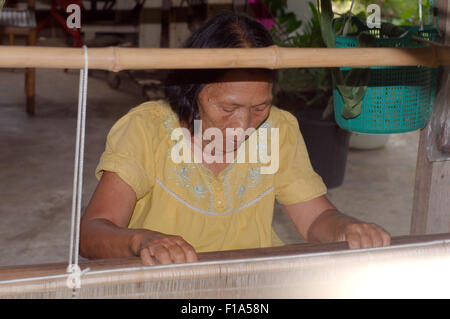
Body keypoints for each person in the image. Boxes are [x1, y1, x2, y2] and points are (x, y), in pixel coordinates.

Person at [79, 11, 391, 266]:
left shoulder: (278, 130)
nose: (243, 125)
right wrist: (141, 241)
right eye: (228, 107)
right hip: (163, 286)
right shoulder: (146, 129)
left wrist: (346, 227)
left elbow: (315, 219)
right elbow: (92, 232)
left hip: (249, 283)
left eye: (260, 107)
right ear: (193, 89)